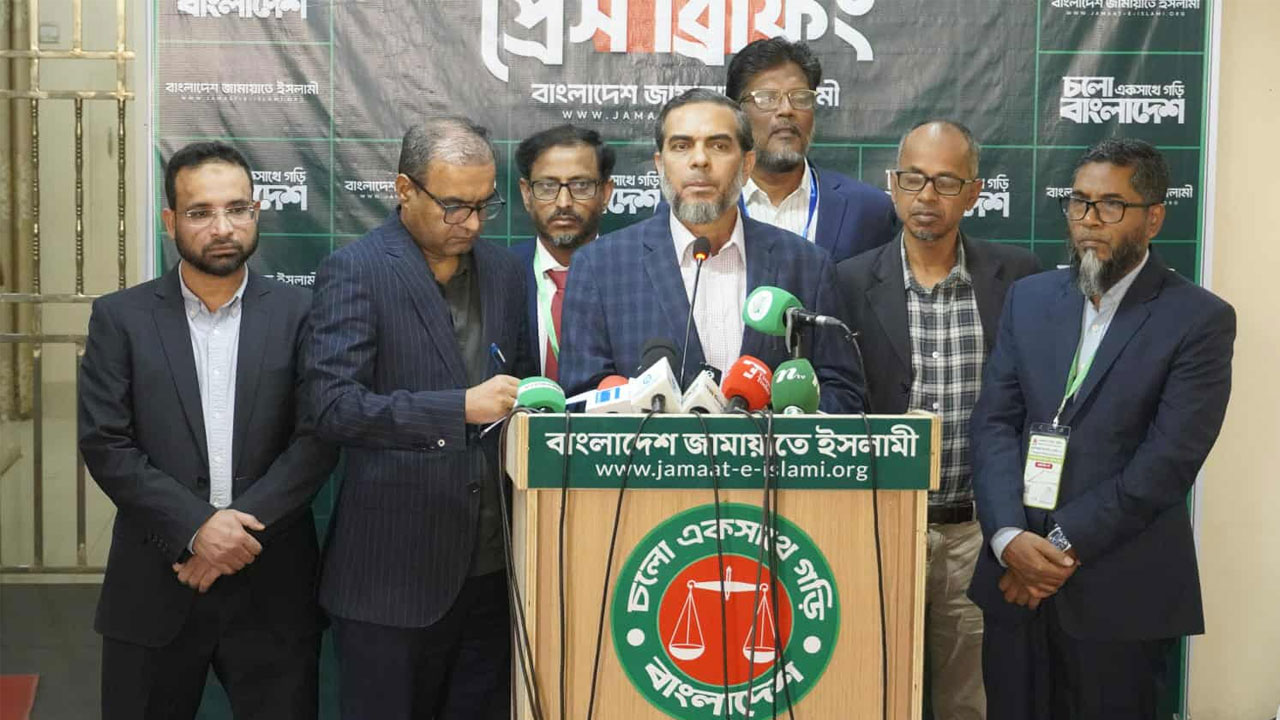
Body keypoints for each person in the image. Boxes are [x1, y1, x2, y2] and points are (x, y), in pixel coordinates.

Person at [969, 138, 1236, 719]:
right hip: (1014, 588)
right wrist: (1009, 539)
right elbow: (994, 424)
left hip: (1119, 596)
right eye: (1079, 202)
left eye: (1111, 205)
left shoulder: (1198, 319)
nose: (1089, 220)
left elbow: (1166, 463)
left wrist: (1055, 552)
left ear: (1153, 218)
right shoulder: (1029, 298)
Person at [78, 141, 338, 719]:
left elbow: (317, 439)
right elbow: (106, 443)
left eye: (237, 209)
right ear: (170, 220)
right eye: (200, 212)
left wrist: (229, 539)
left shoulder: (302, 314)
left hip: (273, 586)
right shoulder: (121, 317)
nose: (222, 228)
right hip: (155, 580)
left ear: (257, 211)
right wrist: (196, 529)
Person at [307, 117, 534, 719]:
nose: (473, 223)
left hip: (494, 571)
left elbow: (524, 387)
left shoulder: (506, 272)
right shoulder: (356, 270)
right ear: (404, 189)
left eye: (485, 205)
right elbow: (332, 407)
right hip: (391, 578)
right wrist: (458, 408)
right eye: (455, 206)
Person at [838, 120, 1039, 719]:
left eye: (946, 182)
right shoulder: (847, 281)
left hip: (975, 533)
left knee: (967, 701)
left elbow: (1035, 406)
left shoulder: (1019, 279)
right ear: (892, 185)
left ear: (973, 192)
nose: (927, 196)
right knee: (868, 692)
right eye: (914, 179)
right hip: (879, 525)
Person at [558, 88, 864, 412]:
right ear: (660, 165)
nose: (700, 160)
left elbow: (842, 394)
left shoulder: (806, 265)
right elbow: (578, 401)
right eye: (682, 146)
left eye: (718, 146)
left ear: (747, 164)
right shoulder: (600, 267)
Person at [727, 37, 897, 262]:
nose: (786, 110)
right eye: (767, 98)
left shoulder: (869, 210)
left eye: (800, 98)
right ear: (736, 113)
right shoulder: (708, 204)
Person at [509, 124, 615, 381]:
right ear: (526, 194)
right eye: (547, 186)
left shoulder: (633, 275)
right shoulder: (501, 274)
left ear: (605, 193)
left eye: (580, 185)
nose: (563, 202)